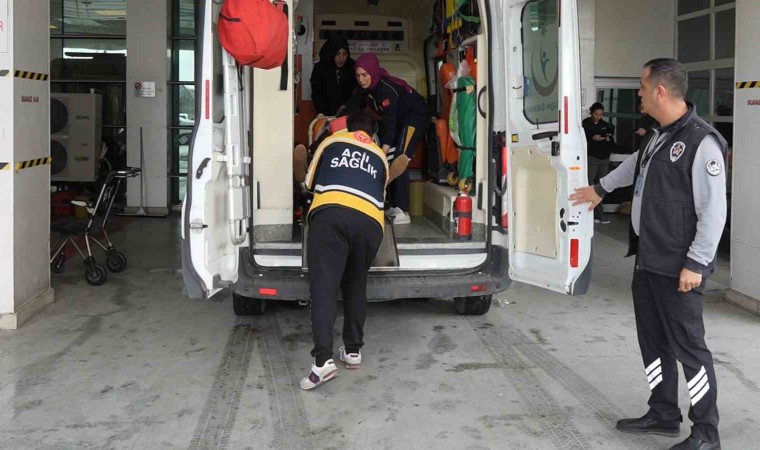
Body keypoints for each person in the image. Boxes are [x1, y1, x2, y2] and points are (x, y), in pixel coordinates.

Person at [570, 58, 726, 450]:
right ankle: (663, 412)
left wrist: (696, 263)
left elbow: (714, 211)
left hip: (679, 265)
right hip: (649, 258)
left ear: (659, 90)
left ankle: (706, 434)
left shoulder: (701, 141)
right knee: (653, 341)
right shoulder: (658, 134)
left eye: (641, 86)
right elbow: (634, 167)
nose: (638, 93)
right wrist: (601, 188)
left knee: (690, 349)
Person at [299, 111, 390, 391]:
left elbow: (309, 183)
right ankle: (352, 350)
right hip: (371, 223)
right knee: (356, 283)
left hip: (331, 215)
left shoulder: (332, 142)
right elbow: (380, 194)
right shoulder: (380, 156)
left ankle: (322, 362)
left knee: (325, 287)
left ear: (347, 128)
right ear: (373, 134)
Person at [351, 53, 430, 225]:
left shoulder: (386, 89)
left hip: (416, 116)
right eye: (357, 75)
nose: (361, 79)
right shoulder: (364, 90)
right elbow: (352, 109)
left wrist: (383, 151)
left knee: (400, 157)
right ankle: (394, 205)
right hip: (400, 121)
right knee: (392, 156)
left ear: (373, 72)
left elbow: (390, 123)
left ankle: (403, 211)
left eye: (364, 75)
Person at [582, 102, 614, 224]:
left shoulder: (605, 125)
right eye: (596, 114)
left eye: (601, 115)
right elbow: (583, 138)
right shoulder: (585, 125)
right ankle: (593, 213)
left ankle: (599, 213)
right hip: (591, 158)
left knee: (601, 186)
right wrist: (592, 138)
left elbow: (611, 138)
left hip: (604, 158)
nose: (598, 117)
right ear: (591, 113)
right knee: (590, 185)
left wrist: (607, 138)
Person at [310, 34, 357, 116]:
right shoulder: (320, 68)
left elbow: (356, 92)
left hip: (348, 115)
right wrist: (321, 113)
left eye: (344, 54)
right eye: (337, 54)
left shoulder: (351, 66)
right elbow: (316, 93)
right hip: (325, 115)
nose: (341, 58)